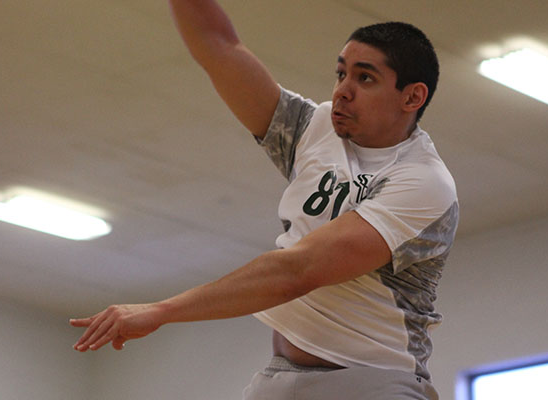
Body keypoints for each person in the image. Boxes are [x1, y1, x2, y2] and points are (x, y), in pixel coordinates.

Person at [70, 1, 459, 399]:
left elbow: (298, 271)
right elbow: (218, 47)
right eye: (341, 73)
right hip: (280, 379)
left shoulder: (424, 181)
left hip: (373, 382)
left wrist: (162, 310)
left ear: (412, 97)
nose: (343, 90)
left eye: (365, 78)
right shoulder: (317, 129)